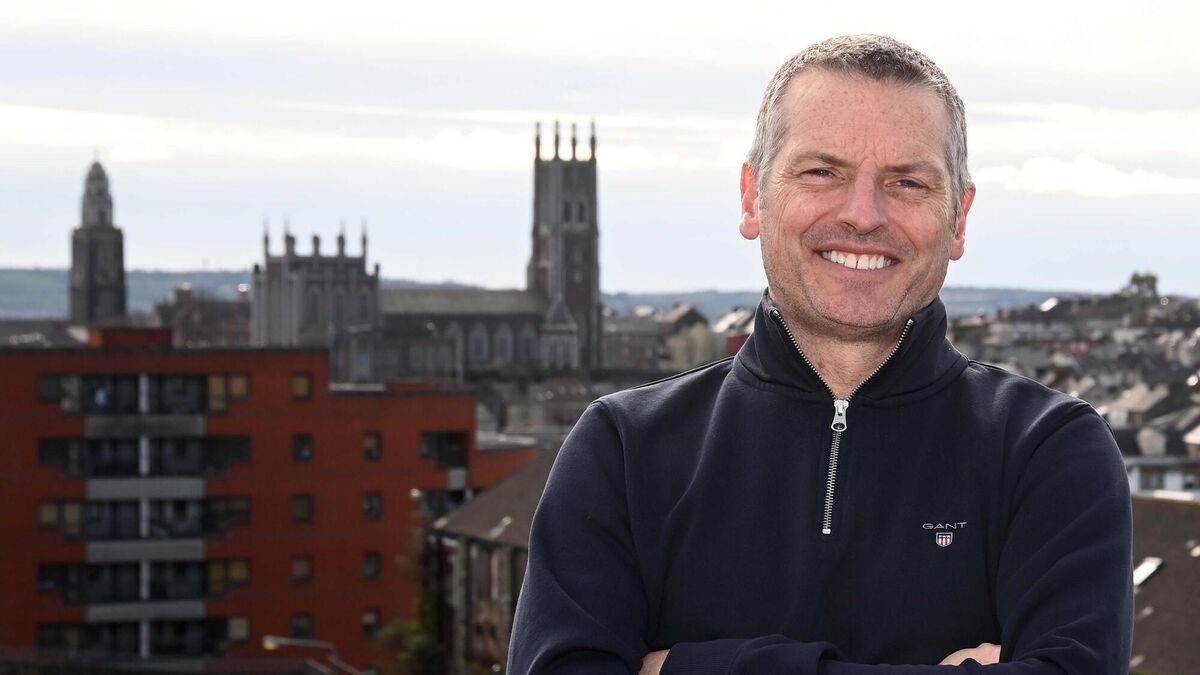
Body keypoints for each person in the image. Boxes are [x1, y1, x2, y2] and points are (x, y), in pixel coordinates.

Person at [507, 34, 1132, 674]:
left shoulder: (1048, 450)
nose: (863, 215)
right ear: (752, 197)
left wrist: (678, 668)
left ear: (959, 219)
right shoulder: (625, 449)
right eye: (822, 172)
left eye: (907, 182)